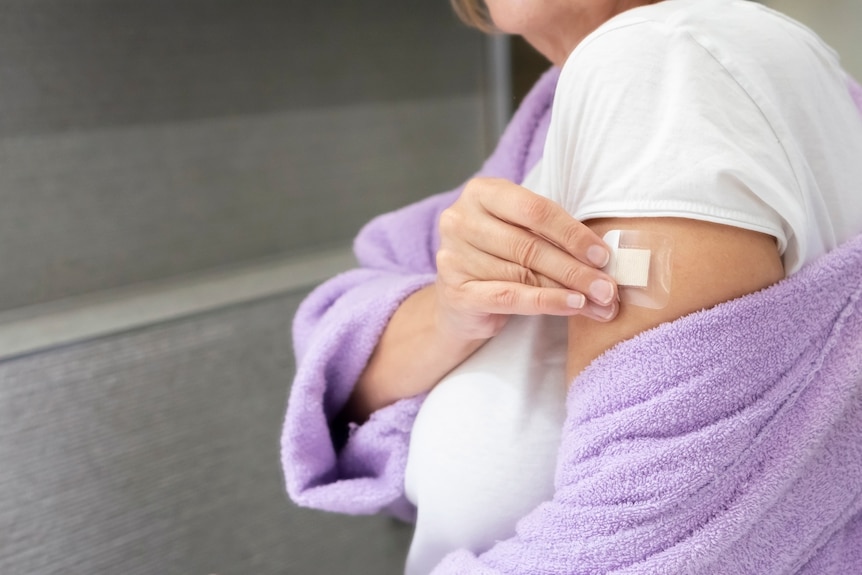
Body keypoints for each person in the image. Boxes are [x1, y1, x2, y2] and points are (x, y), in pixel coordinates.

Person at [282, 0, 862, 573]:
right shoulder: (557, 123)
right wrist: (445, 314)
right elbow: (347, 369)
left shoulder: (665, 62)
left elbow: (643, 534)